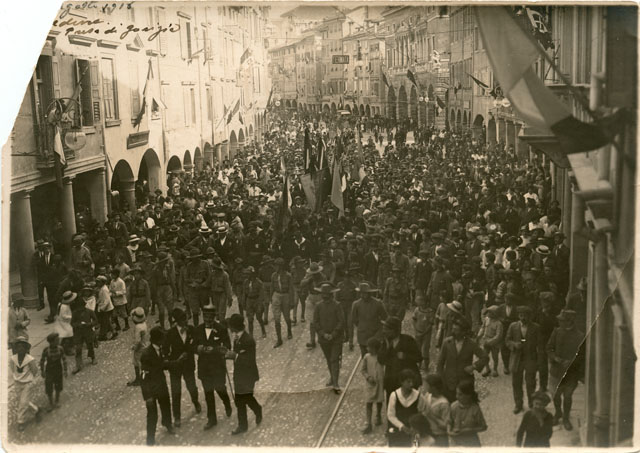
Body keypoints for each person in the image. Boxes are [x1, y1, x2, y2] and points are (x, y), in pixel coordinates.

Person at [193, 302, 233, 430]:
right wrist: (198, 349)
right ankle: (212, 419)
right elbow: (192, 346)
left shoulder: (221, 329)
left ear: (214, 316)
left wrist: (215, 350)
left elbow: (227, 346)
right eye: (205, 316)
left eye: (210, 316)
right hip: (204, 367)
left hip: (217, 366)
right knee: (208, 393)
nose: (208, 319)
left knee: (220, 389)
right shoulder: (198, 329)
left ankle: (226, 402)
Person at [547, 309, 585, 431]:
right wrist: (555, 358)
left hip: (571, 373)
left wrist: (572, 362)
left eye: (562, 320)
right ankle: (558, 412)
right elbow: (549, 348)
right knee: (555, 395)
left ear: (569, 321)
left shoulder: (580, 336)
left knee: (568, 396)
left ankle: (566, 418)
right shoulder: (556, 332)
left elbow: (582, 356)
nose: (559, 322)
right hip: (556, 371)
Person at [225, 314, 263, 434]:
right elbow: (237, 354)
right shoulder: (237, 337)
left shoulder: (248, 340)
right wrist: (228, 355)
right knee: (239, 400)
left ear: (234, 327)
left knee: (245, 398)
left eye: (230, 326)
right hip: (239, 374)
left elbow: (249, 361)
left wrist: (235, 356)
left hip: (248, 375)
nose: (230, 329)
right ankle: (243, 426)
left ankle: (257, 410)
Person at [163, 308, 201, 427]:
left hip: (188, 365)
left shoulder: (191, 330)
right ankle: (177, 416)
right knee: (176, 391)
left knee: (192, 387)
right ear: (177, 321)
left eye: (186, 318)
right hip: (175, 366)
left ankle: (196, 401)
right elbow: (165, 349)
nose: (185, 321)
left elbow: (196, 343)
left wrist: (193, 349)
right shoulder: (170, 333)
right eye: (182, 319)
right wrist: (170, 360)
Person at [436, 317, 488, 402]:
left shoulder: (471, 344)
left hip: (465, 383)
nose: (453, 332)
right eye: (453, 329)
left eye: (456, 330)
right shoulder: (447, 342)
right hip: (449, 383)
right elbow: (440, 363)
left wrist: (474, 366)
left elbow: (485, 357)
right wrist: (440, 380)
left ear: (463, 332)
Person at [140, 326, 176, 445]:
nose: (165, 340)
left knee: (166, 406)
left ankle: (167, 423)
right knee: (152, 415)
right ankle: (150, 439)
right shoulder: (146, 354)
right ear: (158, 339)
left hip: (161, 385)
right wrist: (147, 396)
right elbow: (143, 376)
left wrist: (176, 363)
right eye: (163, 338)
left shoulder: (161, 349)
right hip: (151, 389)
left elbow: (162, 365)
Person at [505, 305, 544, 413]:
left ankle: (532, 403)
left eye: (526, 316)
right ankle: (518, 404)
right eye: (521, 315)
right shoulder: (513, 326)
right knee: (516, 382)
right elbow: (507, 340)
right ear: (518, 316)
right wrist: (514, 345)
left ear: (530, 316)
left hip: (530, 358)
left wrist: (539, 361)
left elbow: (540, 345)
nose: (523, 318)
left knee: (530, 382)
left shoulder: (536, 327)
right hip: (516, 359)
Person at [378, 316, 421, 402]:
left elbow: (419, 357)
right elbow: (380, 360)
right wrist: (387, 347)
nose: (384, 331)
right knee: (391, 404)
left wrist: (405, 356)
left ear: (394, 330)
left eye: (386, 329)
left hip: (406, 381)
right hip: (391, 381)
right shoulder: (386, 342)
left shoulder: (408, 340)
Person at [386, 369, 427, 447]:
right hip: (398, 429)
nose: (411, 384)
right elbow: (390, 415)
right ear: (402, 382)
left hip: (413, 431)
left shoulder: (418, 396)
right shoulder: (394, 395)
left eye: (412, 382)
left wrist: (416, 427)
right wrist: (402, 426)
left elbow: (422, 412)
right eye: (408, 382)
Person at [10, 336, 42, 431]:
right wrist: (18, 378)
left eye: (22, 347)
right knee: (22, 401)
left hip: (27, 383)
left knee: (23, 403)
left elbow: (34, 370)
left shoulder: (30, 359)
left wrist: (29, 379)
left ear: (26, 349)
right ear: (16, 348)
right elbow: (13, 369)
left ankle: (21, 421)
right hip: (17, 382)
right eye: (18, 347)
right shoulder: (13, 359)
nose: (20, 349)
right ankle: (36, 410)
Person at [351, 282, 387, 357]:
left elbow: (384, 317)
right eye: (361, 293)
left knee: (377, 356)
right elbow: (354, 319)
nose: (363, 295)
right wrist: (362, 325)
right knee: (364, 356)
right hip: (362, 335)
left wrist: (379, 329)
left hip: (375, 334)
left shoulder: (378, 303)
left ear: (369, 293)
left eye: (365, 293)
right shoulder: (356, 304)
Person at [447, 380, 487, 447]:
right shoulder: (453, 406)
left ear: (468, 395)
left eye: (460, 394)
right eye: (456, 394)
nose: (457, 396)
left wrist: (469, 430)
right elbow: (449, 421)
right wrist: (449, 431)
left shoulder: (475, 409)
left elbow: (483, 427)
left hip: (471, 443)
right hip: (456, 443)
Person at [361, 337, 385, 434]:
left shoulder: (381, 357)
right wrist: (368, 377)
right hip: (370, 384)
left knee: (379, 401)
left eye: (369, 347)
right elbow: (363, 370)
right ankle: (368, 423)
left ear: (375, 348)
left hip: (379, 383)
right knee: (368, 402)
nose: (367, 349)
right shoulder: (366, 357)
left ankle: (378, 415)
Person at [70, 293, 98, 373]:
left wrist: (89, 324)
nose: (80, 309)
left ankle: (93, 357)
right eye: (79, 307)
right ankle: (78, 365)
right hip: (78, 333)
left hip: (87, 331)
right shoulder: (75, 313)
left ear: (84, 305)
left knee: (90, 345)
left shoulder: (89, 311)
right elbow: (72, 323)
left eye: (81, 307)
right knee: (78, 348)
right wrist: (78, 325)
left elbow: (96, 321)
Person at [40, 332, 67, 411]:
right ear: (51, 342)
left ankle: (57, 400)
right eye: (56, 340)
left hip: (58, 369)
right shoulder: (46, 350)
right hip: (49, 370)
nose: (58, 341)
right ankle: (51, 402)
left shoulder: (60, 349)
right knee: (49, 386)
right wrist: (42, 371)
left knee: (58, 385)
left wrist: (65, 370)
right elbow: (42, 361)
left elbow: (64, 359)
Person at [270, 257, 294, 348]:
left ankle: (289, 330)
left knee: (287, 317)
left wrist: (291, 301)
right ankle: (279, 339)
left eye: (276, 265)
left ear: (281, 266)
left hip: (285, 295)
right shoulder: (273, 275)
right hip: (276, 295)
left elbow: (291, 289)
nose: (275, 267)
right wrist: (271, 298)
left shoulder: (288, 276)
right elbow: (272, 287)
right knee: (277, 318)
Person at [421, 373, 450, 447]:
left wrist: (431, 416)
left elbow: (446, 426)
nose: (424, 387)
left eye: (426, 385)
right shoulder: (428, 396)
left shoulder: (444, 403)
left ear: (433, 387)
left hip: (439, 437)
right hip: (428, 435)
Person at [476, 305, 503, 377]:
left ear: (495, 314)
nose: (488, 313)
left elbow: (498, 336)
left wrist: (491, 341)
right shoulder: (486, 319)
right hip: (486, 341)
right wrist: (479, 336)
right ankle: (487, 369)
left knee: (495, 357)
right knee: (484, 356)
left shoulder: (499, 323)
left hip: (494, 343)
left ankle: (495, 369)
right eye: (488, 312)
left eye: (490, 312)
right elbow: (482, 328)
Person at [242, 266, 266, 338]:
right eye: (246, 274)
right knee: (250, 319)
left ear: (252, 274)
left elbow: (261, 295)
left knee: (259, 317)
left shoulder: (259, 282)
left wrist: (260, 305)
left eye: (248, 274)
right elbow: (244, 293)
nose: (247, 275)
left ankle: (263, 330)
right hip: (249, 301)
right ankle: (251, 335)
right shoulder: (246, 282)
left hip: (257, 300)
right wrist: (244, 303)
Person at [412, 294, 434, 372]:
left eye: (420, 300)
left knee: (425, 350)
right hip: (418, 332)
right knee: (418, 348)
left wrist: (424, 333)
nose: (418, 302)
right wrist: (416, 330)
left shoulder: (430, 311)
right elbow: (414, 320)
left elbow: (430, 324)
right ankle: (419, 365)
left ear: (424, 302)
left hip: (426, 334)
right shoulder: (417, 310)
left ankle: (426, 366)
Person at [128, 307, 149, 387]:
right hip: (145, 345)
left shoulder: (138, 327)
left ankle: (138, 380)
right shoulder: (144, 324)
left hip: (140, 348)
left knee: (136, 363)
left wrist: (134, 347)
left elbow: (137, 341)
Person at [95, 275, 116, 341]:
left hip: (107, 308)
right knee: (107, 321)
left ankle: (103, 335)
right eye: (97, 282)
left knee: (104, 322)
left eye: (99, 282)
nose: (97, 283)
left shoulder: (104, 289)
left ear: (103, 282)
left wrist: (102, 308)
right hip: (106, 307)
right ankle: (114, 332)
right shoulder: (102, 288)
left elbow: (107, 300)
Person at [56, 291, 76, 356]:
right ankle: (67, 350)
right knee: (68, 336)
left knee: (65, 336)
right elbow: (63, 316)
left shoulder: (62, 304)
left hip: (63, 322)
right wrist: (72, 317)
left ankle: (63, 348)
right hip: (64, 323)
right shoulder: (64, 306)